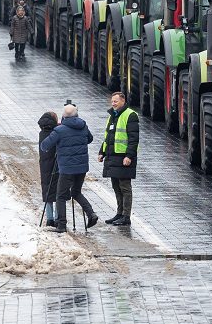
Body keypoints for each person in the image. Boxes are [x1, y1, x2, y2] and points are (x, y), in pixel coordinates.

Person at [40, 104, 98, 232]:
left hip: (66, 169)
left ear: (64, 116)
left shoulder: (60, 130)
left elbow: (44, 146)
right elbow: (90, 139)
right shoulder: (83, 126)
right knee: (76, 192)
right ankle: (91, 214)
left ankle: (61, 225)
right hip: (82, 167)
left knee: (60, 196)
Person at [99, 91, 139, 226]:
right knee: (116, 186)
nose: (113, 103)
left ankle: (126, 216)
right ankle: (119, 213)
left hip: (123, 157)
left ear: (123, 101)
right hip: (112, 156)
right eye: (112, 101)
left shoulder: (130, 115)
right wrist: (102, 152)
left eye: (115, 101)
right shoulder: (112, 116)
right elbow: (108, 136)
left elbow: (134, 139)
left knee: (125, 187)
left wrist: (129, 156)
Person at [38, 111, 59, 227]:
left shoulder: (42, 133)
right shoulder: (55, 132)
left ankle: (49, 218)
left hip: (44, 165)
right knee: (57, 191)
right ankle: (57, 218)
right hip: (55, 164)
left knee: (47, 190)